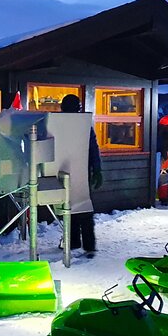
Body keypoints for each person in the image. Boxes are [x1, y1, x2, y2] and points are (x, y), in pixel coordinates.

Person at [60, 94, 103, 256]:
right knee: (83, 207)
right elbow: (94, 148)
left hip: (63, 170)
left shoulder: (58, 124)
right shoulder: (83, 125)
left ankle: (75, 243)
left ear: (62, 108)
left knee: (68, 207)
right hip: (82, 170)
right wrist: (97, 169)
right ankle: (87, 244)